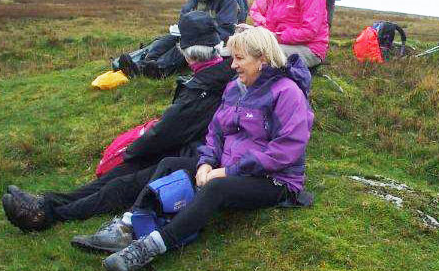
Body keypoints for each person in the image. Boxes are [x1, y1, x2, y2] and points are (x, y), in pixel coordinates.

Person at [70, 27, 314, 271]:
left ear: (262, 59)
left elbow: (285, 151)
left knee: (217, 188)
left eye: (240, 58)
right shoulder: (235, 88)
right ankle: (129, 225)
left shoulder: (287, 93)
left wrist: (226, 172)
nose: (233, 65)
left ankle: (150, 247)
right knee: (169, 164)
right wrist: (206, 162)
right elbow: (216, 132)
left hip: (274, 180)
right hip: (228, 167)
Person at [2, 12, 235, 233]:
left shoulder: (203, 88)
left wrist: (132, 151)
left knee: (122, 182)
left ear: (187, 52)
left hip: (196, 157)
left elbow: (164, 134)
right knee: (118, 175)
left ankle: (48, 216)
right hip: (189, 149)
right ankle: (47, 202)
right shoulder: (220, 74)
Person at [118, 0, 238, 79]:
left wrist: (197, 33)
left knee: (184, 46)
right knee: (167, 39)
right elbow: (183, 16)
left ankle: (159, 69)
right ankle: (144, 63)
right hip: (190, 35)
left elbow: (225, 29)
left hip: (212, 41)